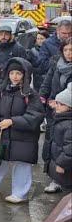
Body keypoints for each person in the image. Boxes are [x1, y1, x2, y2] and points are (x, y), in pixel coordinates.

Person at [0, 58, 45, 203]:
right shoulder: (2, 91)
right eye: (12, 73)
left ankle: (20, 194)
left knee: (22, 164)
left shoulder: (31, 94)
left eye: (18, 73)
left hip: (23, 137)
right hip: (3, 133)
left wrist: (13, 121)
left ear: (25, 75)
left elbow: (35, 116)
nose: (15, 76)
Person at [40, 40, 72, 193]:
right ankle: (55, 179)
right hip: (56, 110)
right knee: (54, 144)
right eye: (66, 50)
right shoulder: (56, 64)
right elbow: (47, 82)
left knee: (68, 145)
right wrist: (43, 98)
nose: (68, 53)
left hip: (69, 112)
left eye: (71, 50)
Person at [45, 84, 72, 191]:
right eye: (57, 103)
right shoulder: (59, 117)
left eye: (61, 104)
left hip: (66, 166)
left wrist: (62, 163)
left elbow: (69, 149)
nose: (57, 106)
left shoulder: (69, 125)